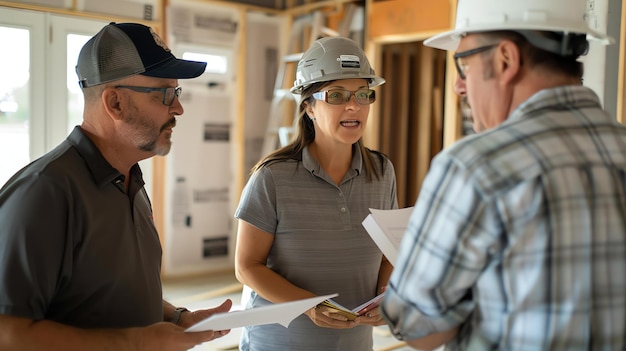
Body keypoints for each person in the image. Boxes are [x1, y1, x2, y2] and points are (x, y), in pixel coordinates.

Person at [381, 0, 625, 349]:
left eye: (463, 66)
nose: (459, 87)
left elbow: (414, 324)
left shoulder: (475, 167)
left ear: (505, 60)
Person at [0, 22, 233, 350]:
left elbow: (109, 294)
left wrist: (178, 318)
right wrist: (134, 343)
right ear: (116, 104)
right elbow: (8, 332)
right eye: (165, 94)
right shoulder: (45, 193)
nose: (178, 108)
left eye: (177, 94)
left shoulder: (130, 181)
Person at [234, 36, 398, 351]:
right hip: (279, 343)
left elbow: (389, 251)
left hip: (353, 344)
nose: (354, 106)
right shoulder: (272, 177)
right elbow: (247, 266)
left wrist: (387, 292)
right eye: (336, 95)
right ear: (309, 107)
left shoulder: (382, 172)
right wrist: (308, 305)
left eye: (363, 94)